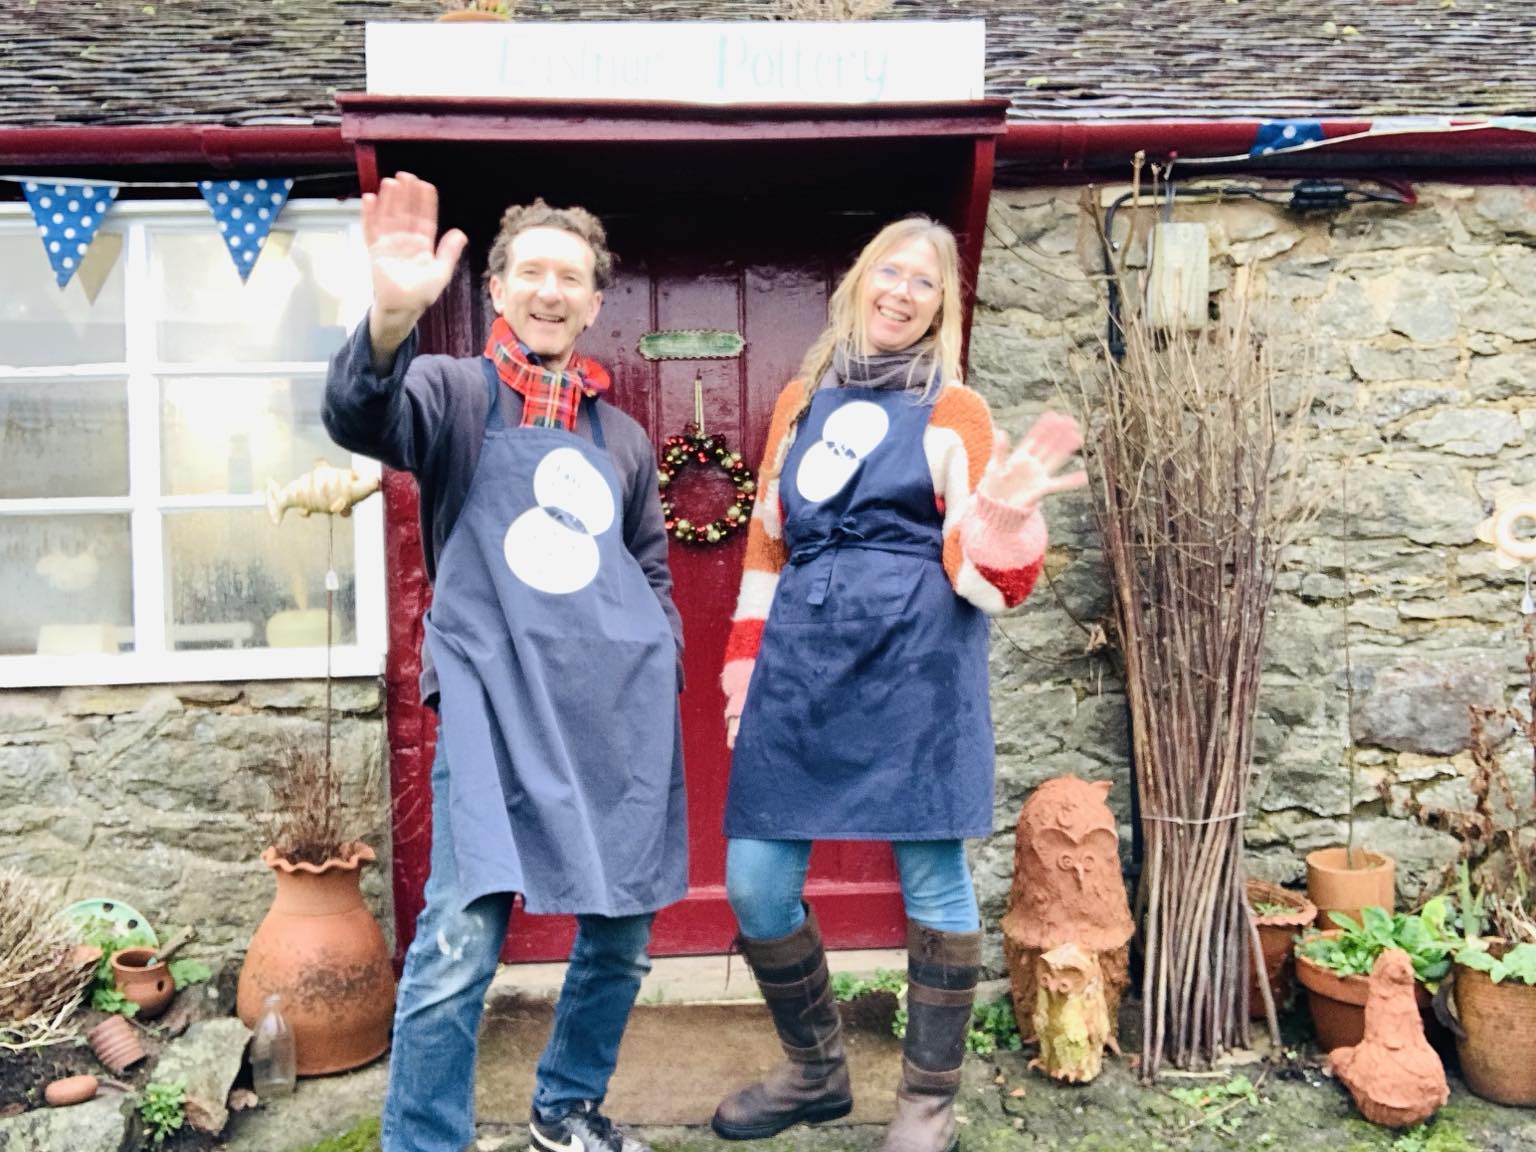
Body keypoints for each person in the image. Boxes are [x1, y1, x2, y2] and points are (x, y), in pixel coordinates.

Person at [323, 173, 686, 1152]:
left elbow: (647, 569)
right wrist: (387, 325)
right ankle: (424, 1141)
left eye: (571, 276)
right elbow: (363, 416)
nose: (551, 290)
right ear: (495, 287)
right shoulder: (451, 396)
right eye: (532, 271)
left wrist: (664, 658)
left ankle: (566, 1110)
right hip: (491, 702)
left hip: (612, 713)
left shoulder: (623, 440)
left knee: (620, 933)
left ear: (595, 300)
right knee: (460, 939)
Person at [711, 217, 1085, 1152]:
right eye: (892, 271)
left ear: (941, 307)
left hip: (917, 657)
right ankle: (814, 1071)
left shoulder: (955, 408)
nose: (903, 291)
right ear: (860, 281)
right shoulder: (800, 399)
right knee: (756, 881)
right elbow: (767, 539)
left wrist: (1001, 524)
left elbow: (971, 562)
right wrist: (742, 664)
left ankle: (928, 1104)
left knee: (932, 875)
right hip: (799, 656)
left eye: (926, 282)